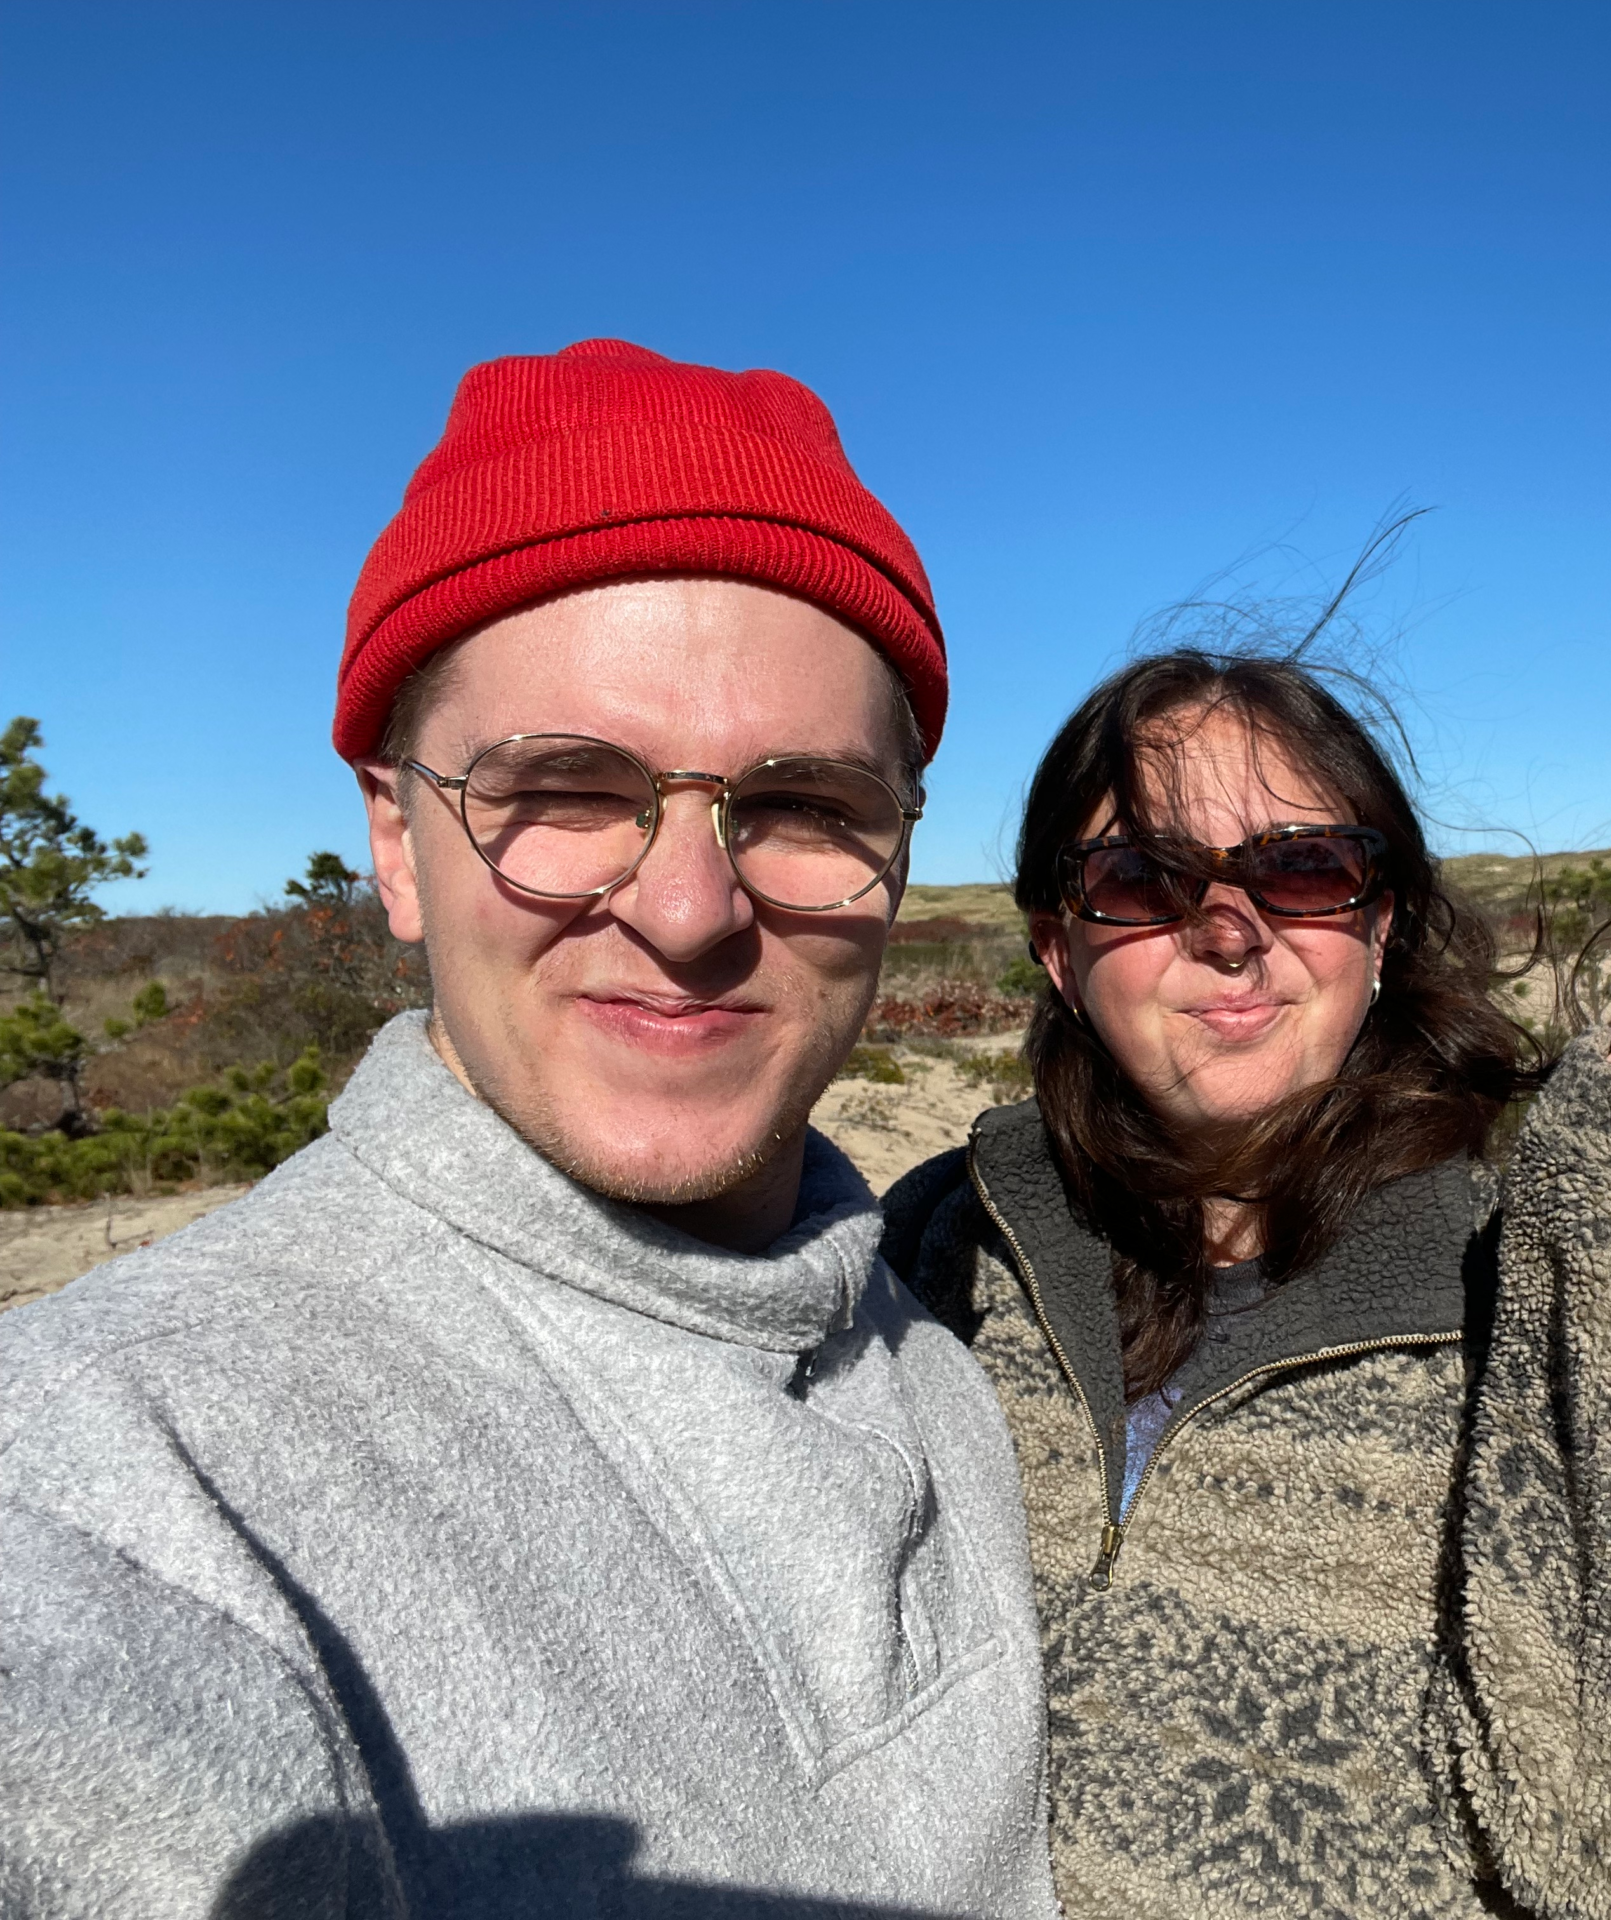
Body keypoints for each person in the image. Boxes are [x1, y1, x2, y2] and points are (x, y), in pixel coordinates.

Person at [0, 341, 1058, 1918]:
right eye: (564, 787)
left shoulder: (931, 1340)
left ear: (898, 853)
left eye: (804, 806)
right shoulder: (125, 1484)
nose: (689, 913)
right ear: (397, 844)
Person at [885, 650, 1611, 1919]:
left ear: (1380, 927)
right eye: (1143, 877)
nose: (1229, 930)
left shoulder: (1525, 1301)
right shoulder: (933, 1247)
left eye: (1302, 867)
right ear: (1059, 950)